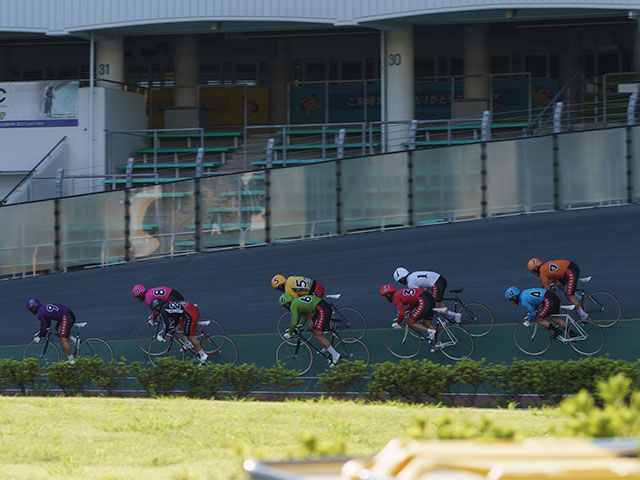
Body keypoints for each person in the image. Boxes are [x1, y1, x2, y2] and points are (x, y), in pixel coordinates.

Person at [278, 293, 340, 366]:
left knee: (318, 335)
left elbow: (294, 322)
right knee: (310, 328)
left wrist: (290, 333)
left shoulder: (293, 305)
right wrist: (297, 328)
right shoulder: (297, 303)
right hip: (320, 308)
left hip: (321, 309)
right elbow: (303, 318)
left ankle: (335, 355)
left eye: (284, 307)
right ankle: (326, 345)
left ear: (287, 304)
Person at [393, 267, 461, 324]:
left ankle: (455, 315)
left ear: (402, 279)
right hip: (439, 280)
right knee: (437, 303)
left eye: (399, 281)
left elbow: (417, 296)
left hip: (436, 283)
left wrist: (409, 309)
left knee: (434, 305)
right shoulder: (413, 275)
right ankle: (449, 317)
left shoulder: (410, 283)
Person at [150, 298, 208, 364]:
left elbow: (166, 324)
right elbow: (176, 319)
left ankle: (203, 354)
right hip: (190, 309)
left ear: (158, 307)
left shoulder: (163, 311)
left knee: (189, 336)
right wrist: (170, 328)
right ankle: (188, 344)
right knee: (179, 327)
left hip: (190, 314)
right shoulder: (167, 306)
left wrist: (162, 334)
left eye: (154, 310)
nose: (155, 312)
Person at [26, 298, 77, 364]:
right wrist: (42, 334)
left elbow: (43, 326)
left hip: (65, 316)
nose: (29, 312)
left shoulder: (40, 313)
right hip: (66, 315)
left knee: (62, 340)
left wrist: (40, 336)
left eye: (29, 310)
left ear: (33, 309)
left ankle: (72, 361)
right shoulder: (43, 309)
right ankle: (75, 340)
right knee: (56, 331)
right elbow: (47, 324)